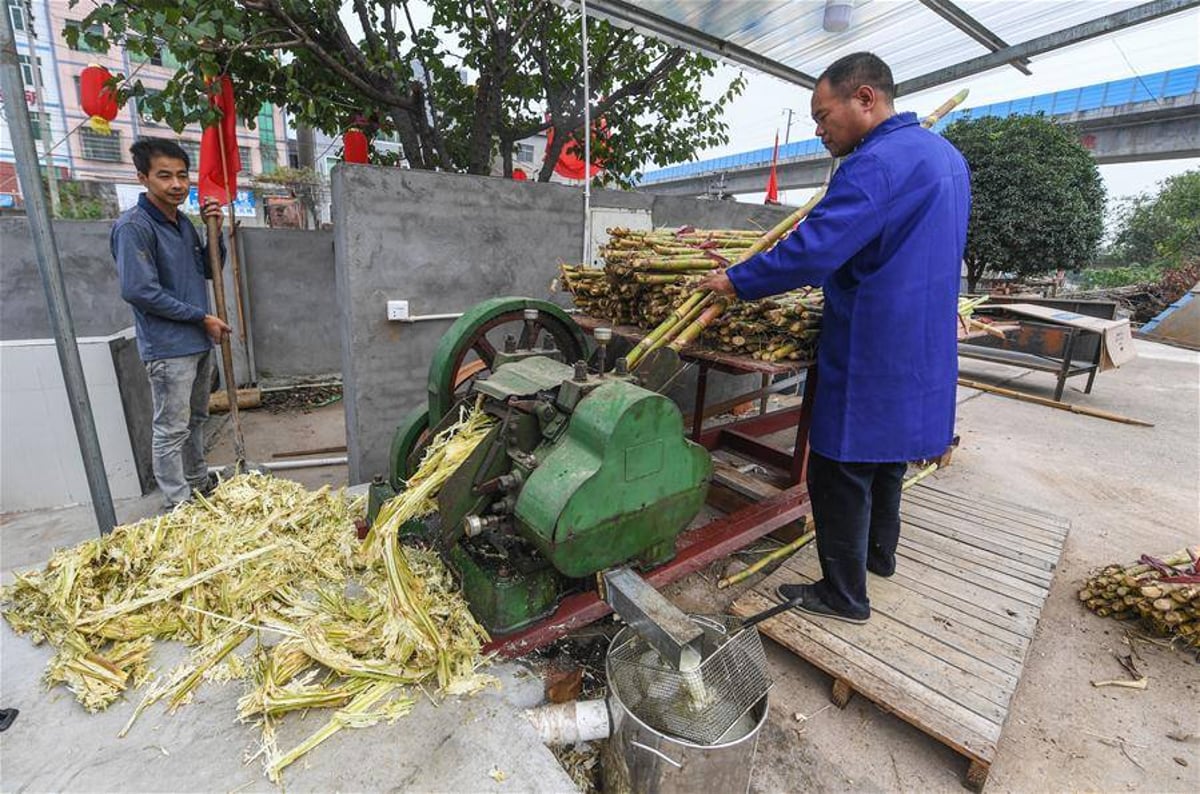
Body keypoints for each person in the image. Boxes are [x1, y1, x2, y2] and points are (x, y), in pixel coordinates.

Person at [698, 52, 971, 624]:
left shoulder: (874, 164)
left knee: (840, 466)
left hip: (874, 338)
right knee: (887, 457)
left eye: (823, 116)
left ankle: (843, 596)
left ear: (865, 99)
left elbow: (815, 250)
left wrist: (736, 279)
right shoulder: (946, 157)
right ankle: (879, 558)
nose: (819, 131)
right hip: (924, 341)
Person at [111, 137, 231, 508]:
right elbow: (139, 291)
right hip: (168, 348)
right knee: (170, 428)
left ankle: (197, 482)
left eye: (182, 175)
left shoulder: (182, 224)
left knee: (196, 419)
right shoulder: (134, 227)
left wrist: (216, 229)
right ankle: (177, 503)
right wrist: (201, 316)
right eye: (165, 176)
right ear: (143, 177)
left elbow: (209, 271)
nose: (176, 184)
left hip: (197, 342)